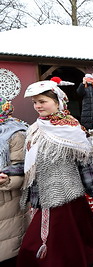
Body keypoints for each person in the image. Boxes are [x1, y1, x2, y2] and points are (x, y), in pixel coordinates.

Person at [17, 80, 93, 267]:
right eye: (35, 102)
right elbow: (28, 162)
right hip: (42, 193)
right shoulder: (35, 128)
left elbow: (85, 162)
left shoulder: (72, 129)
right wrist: (9, 172)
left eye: (42, 101)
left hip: (64, 193)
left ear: (58, 102)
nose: (38, 106)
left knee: (51, 238)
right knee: (65, 236)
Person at [0, 96, 27, 266]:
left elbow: (24, 171)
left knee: (9, 250)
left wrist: (5, 180)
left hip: (7, 202)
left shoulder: (16, 133)